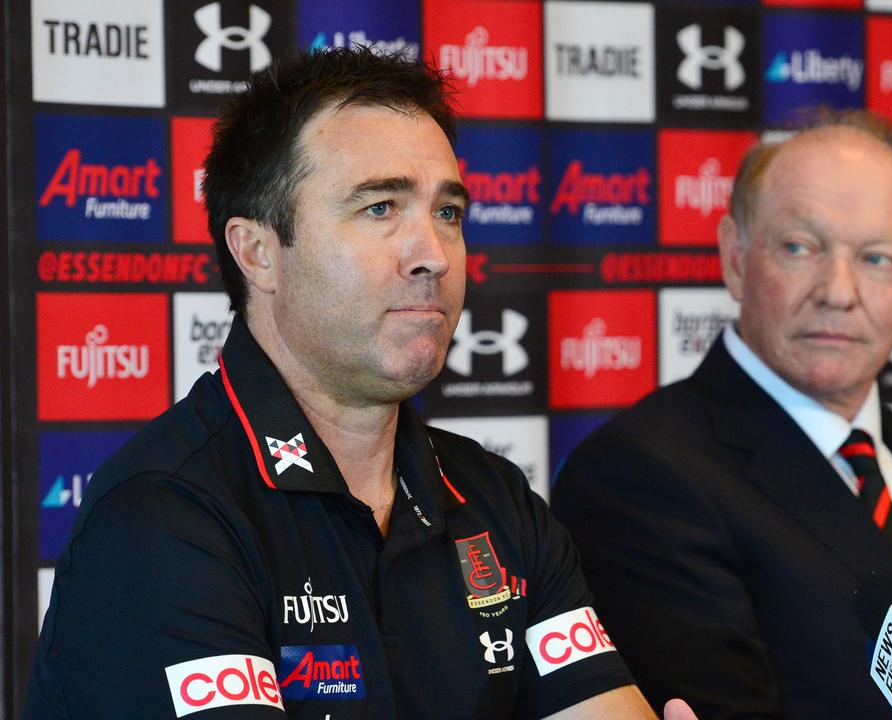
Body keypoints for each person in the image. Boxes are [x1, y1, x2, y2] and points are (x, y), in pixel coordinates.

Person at [23, 48, 695, 720]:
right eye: (380, 208)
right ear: (258, 251)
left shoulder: (496, 499)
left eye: (448, 213)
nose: (432, 253)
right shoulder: (165, 517)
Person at [552, 111, 892, 719]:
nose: (839, 291)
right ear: (735, 257)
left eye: (877, 259)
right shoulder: (638, 477)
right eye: (800, 247)